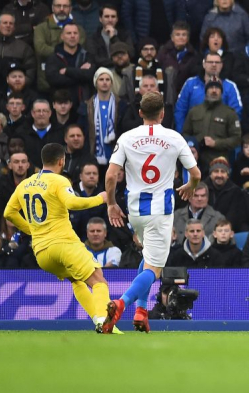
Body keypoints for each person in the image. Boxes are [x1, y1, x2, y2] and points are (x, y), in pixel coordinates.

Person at [103, 92, 201, 334]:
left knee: (148, 259)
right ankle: (121, 303)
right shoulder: (174, 138)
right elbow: (196, 174)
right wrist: (190, 186)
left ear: (140, 113)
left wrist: (111, 204)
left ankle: (141, 311)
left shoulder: (127, 138)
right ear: (163, 113)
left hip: (135, 210)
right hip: (160, 211)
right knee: (154, 270)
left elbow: (110, 176)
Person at [3, 143, 117, 333]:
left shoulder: (25, 183)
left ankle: (100, 322)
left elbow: (9, 213)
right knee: (99, 281)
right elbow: (72, 202)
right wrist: (100, 198)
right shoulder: (59, 180)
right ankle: (104, 322)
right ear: (61, 161)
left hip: (42, 253)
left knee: (77, 281)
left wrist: (32, 230)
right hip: (63, 244)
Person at [182, 79, 242, 166]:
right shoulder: (194, 111)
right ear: (206, 91)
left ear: (221, 92)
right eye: (211, 87)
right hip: (197, 160)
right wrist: (192, 145)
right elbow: (185, 133)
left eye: (217, 88)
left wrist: (216, 143)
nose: (214, 90)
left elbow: (236, 139)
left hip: (219, 161)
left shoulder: (229, 113)